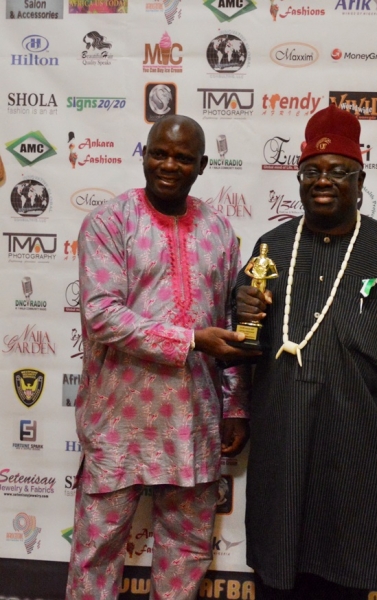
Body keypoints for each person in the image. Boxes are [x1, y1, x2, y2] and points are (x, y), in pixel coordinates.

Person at [235, 104, 377, 599]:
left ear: (360, 180)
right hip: (283, 438)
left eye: (338, 171)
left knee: (351, 569)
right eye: (311, 171)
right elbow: (243, 343)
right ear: (299, 180)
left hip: (359, 440)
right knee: (278, 570)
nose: (323, 180)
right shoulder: (271, 248)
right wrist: (241, 308)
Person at [66, 114, 256, 600]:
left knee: (186, 554)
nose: (169, 165)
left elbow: (232, 322)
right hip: (117, 422)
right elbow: (102, 315)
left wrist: (235, 405)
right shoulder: (109, 221)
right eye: (159, 153)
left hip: (194, 424)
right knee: (96, 553)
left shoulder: (220, 230)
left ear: (202, 165)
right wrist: (191, 340)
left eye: (183, 158)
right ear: (144, 155)